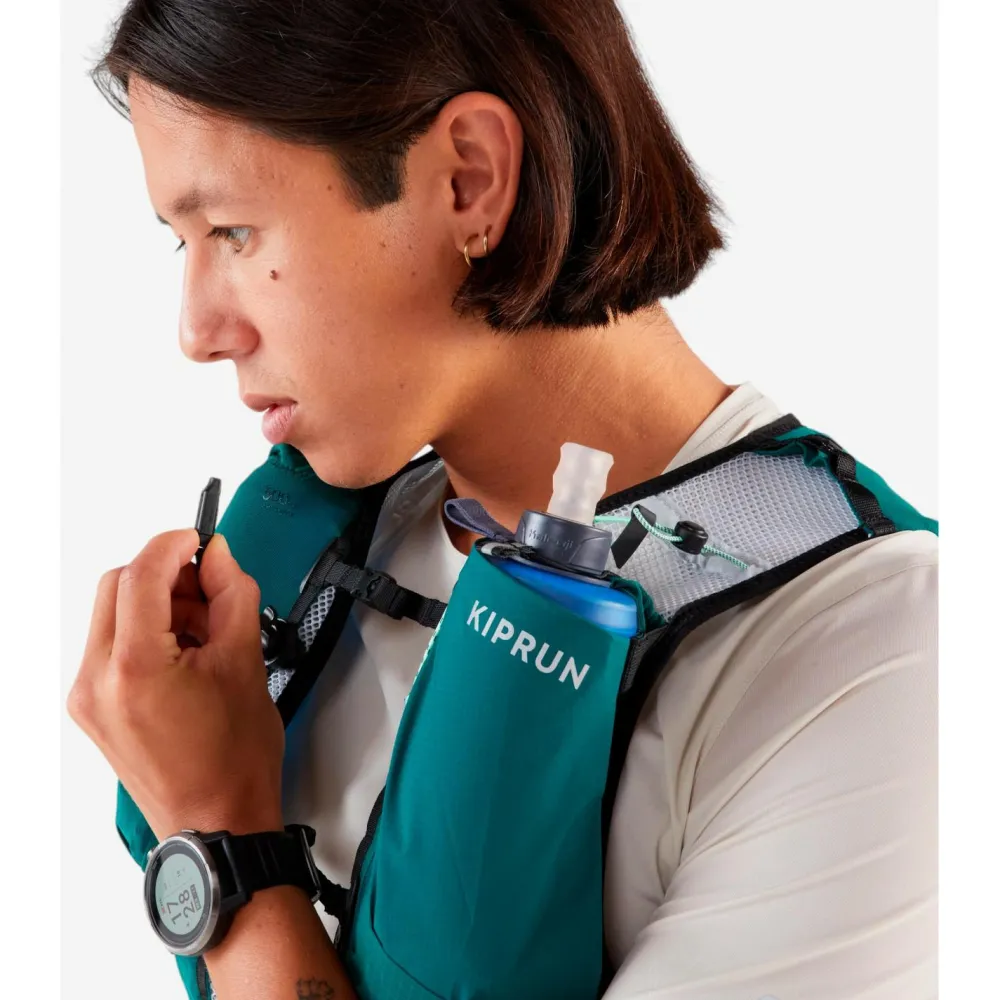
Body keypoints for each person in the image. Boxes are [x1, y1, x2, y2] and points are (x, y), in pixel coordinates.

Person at [67, 2, 937, 998]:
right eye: (182, 241)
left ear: (468, 179)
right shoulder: (316, 581)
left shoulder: (880, 653)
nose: (196, 330)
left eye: (233, 228)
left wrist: (220, 842)